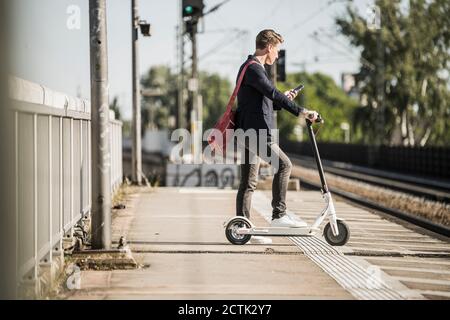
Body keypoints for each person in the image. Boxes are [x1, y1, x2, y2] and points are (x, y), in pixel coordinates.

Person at [235, 29, 319, 244]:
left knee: (248, 182)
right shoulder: (254, 69)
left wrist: (284, 99)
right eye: (278, 50)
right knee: (284, 165)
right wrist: (300, 110)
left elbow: (264, 101)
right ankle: (279, 216)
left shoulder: (249, 68)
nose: (278, 56)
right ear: (270, 47)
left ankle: (242, 228)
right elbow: (272, 93)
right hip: (255, 132)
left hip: (247, 130)